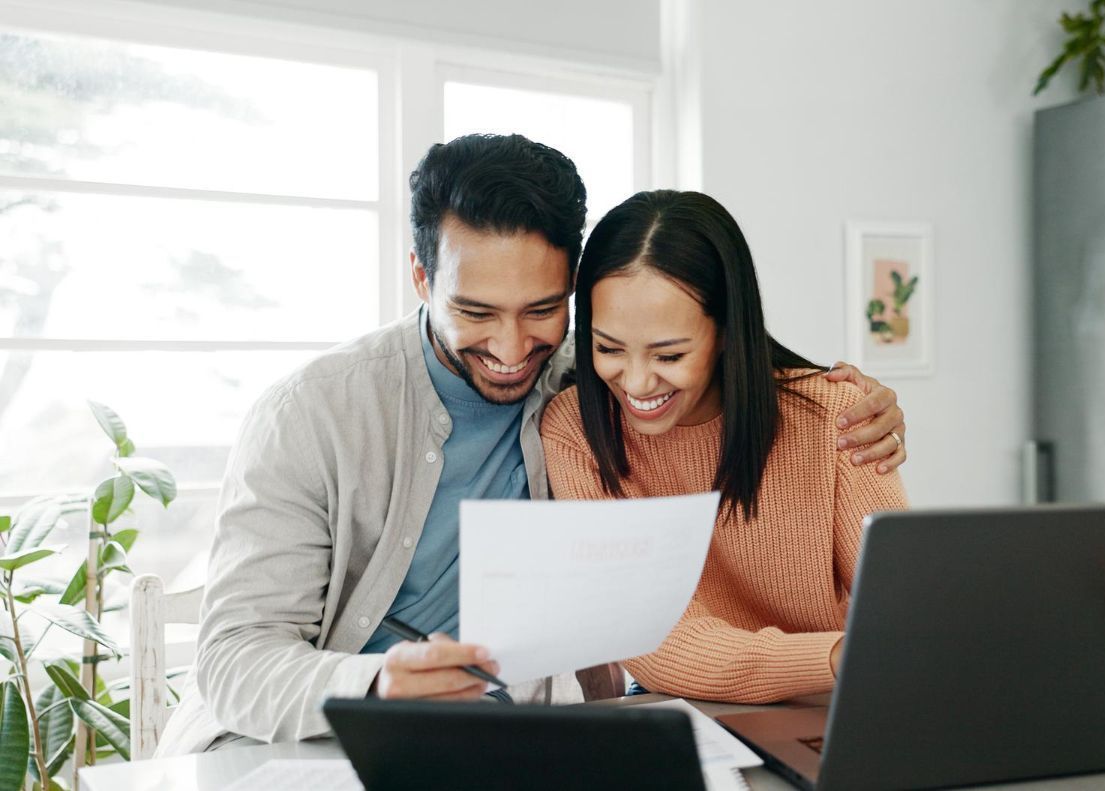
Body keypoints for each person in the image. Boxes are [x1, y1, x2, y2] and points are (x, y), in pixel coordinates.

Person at [155, 134, 908, 756]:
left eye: (543, 309)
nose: (515, 348)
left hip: (511, 744)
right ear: (421, 277)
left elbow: (708, 362)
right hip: (306, 743)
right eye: (476, 311)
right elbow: (233, 662)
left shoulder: (591, 383)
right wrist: (378, 681)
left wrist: (854, 399)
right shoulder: (313, 413)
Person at [541, 190, 908, 704]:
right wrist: (836, 656)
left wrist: (854, 660)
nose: (638, 383)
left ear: (726, 333)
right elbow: (648, 637)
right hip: (698, 707)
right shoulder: (574, 429)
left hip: (842, 703)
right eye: (608, 348)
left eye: (669, 354)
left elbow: (900, 610)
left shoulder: (835, 415)